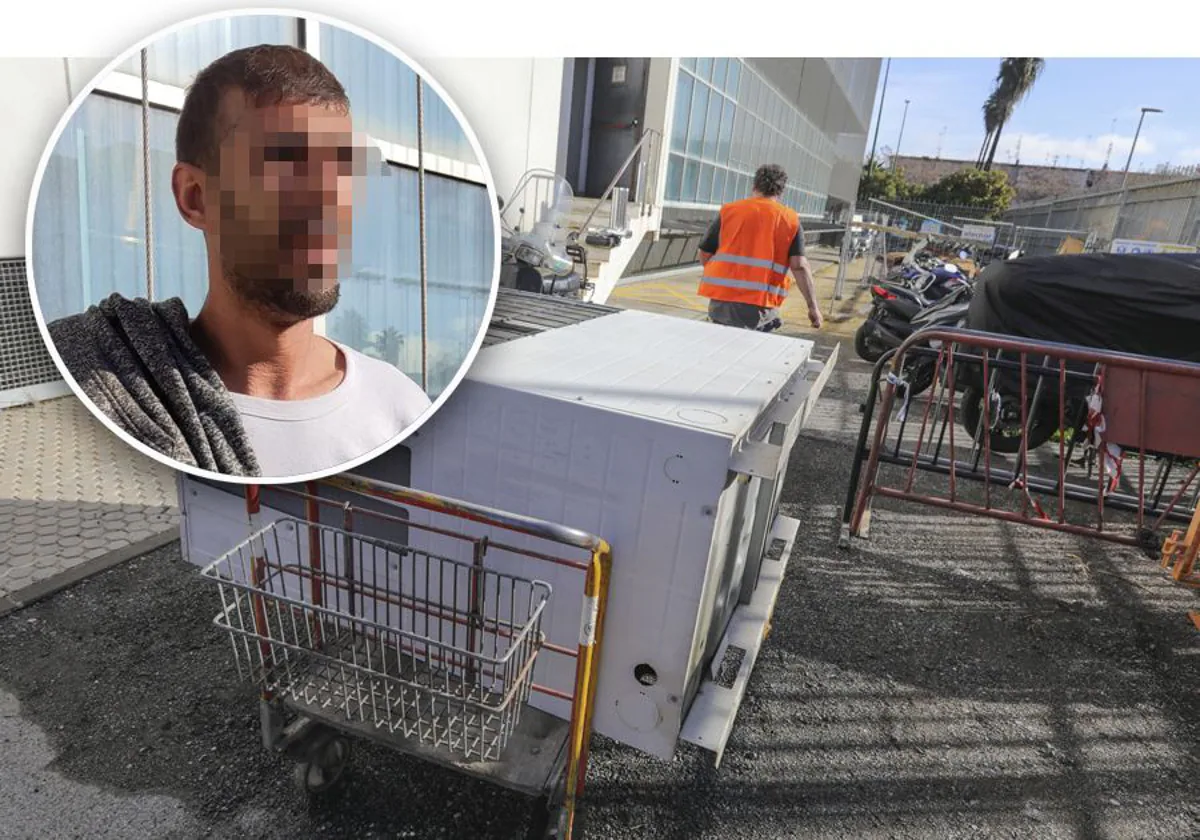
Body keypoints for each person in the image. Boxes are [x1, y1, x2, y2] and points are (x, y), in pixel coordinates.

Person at [47, 44, 431, 478]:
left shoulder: (402, 412)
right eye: (286, 166)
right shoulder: (103, 390)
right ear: (195, 198)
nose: (327, 201)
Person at [696, 163, 823, 331]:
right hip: (760, 307)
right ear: (780, 192)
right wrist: (812, 307)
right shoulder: (789, 220)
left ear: (754, 186)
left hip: (722, 303)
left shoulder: (730, 211)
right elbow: (799, 266)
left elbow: (704, 254)